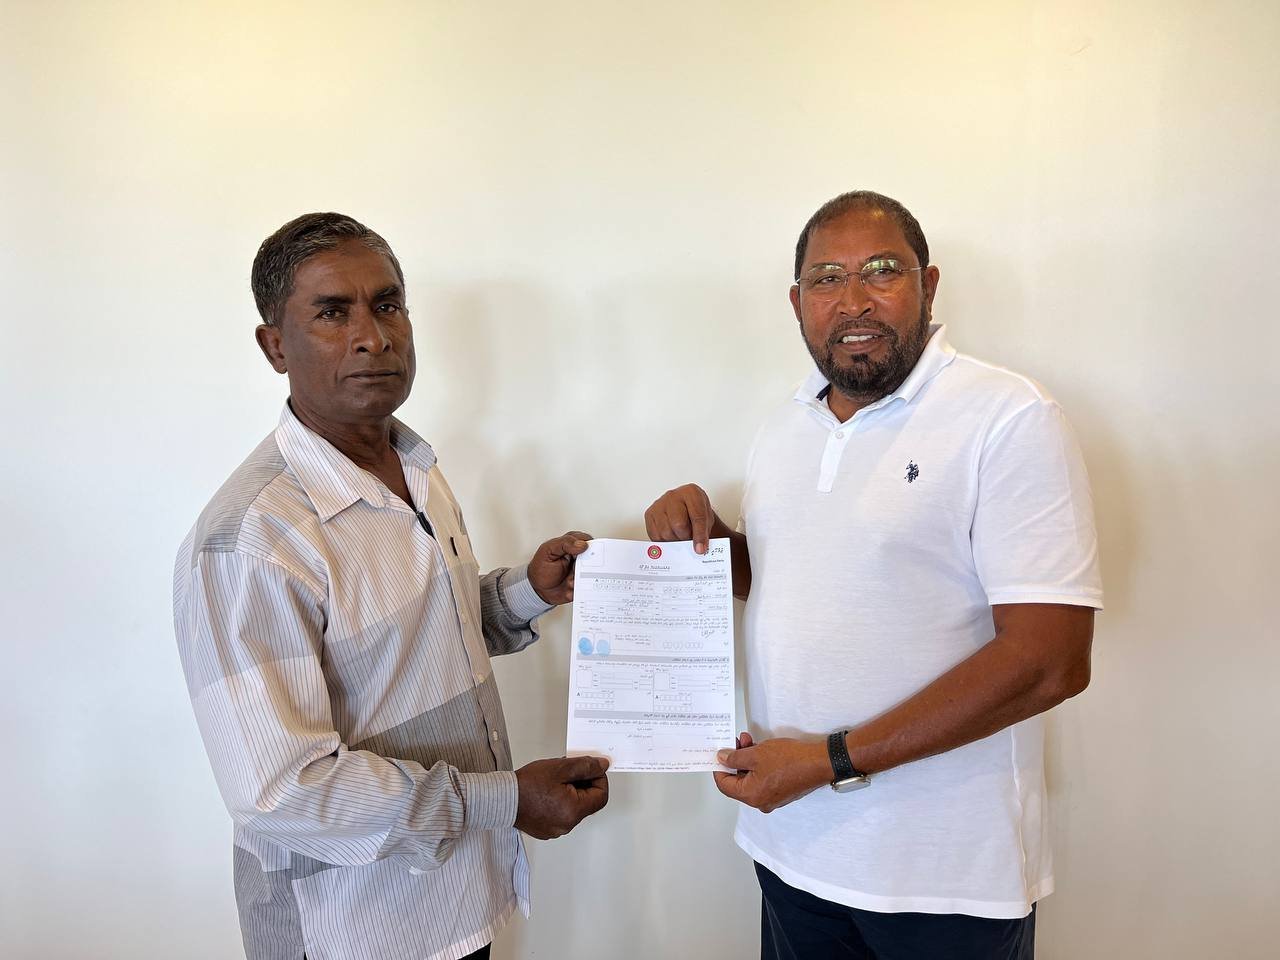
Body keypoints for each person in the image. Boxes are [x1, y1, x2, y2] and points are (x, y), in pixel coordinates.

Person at [645, 191, 1102, 959]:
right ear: (797, 302)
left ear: (929, 284)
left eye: (882, 271)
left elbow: (1051, 660)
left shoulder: (1007, 416)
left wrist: (828, 762)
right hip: (792, 847)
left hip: (944, 877)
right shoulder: (784, 426)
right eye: (826, 278)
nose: (853, 300)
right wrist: (710, 544)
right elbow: (799, 577)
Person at [173, 212, 609, 960]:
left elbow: (422, 636)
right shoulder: (249, 540)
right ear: (275, 346)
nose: (372, 336)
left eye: (387, 304)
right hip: (351, 930)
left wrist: (528, 592)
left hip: (459, 902)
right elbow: (282, 790)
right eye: (332, 312)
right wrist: (506, 799)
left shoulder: (417, 469)